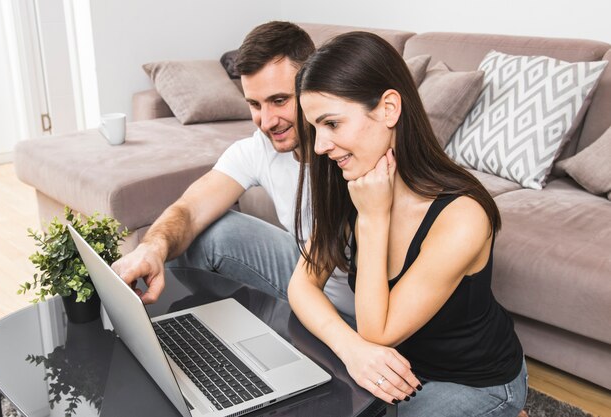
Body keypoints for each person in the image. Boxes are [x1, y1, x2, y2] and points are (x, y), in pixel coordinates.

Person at [289, 31, 528, 416]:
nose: (318, 146)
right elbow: (303, 283)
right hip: (402, 363)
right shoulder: (355, 177)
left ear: (388, 109)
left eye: (331, 123)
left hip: (477, 381)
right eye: (315, 128)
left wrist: (373, 217)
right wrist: (350, 349)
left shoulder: (462, 215)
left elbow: (376, 332)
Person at [112, 21, 355, 319]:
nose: (267, 121)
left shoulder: (347, 152)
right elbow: (189, 210)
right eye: (255, 104)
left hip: (359, 311)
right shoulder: (259, 148)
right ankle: (182, 333)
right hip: (304, 277)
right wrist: (151, 248)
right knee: (198, 233)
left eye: (279, 101)